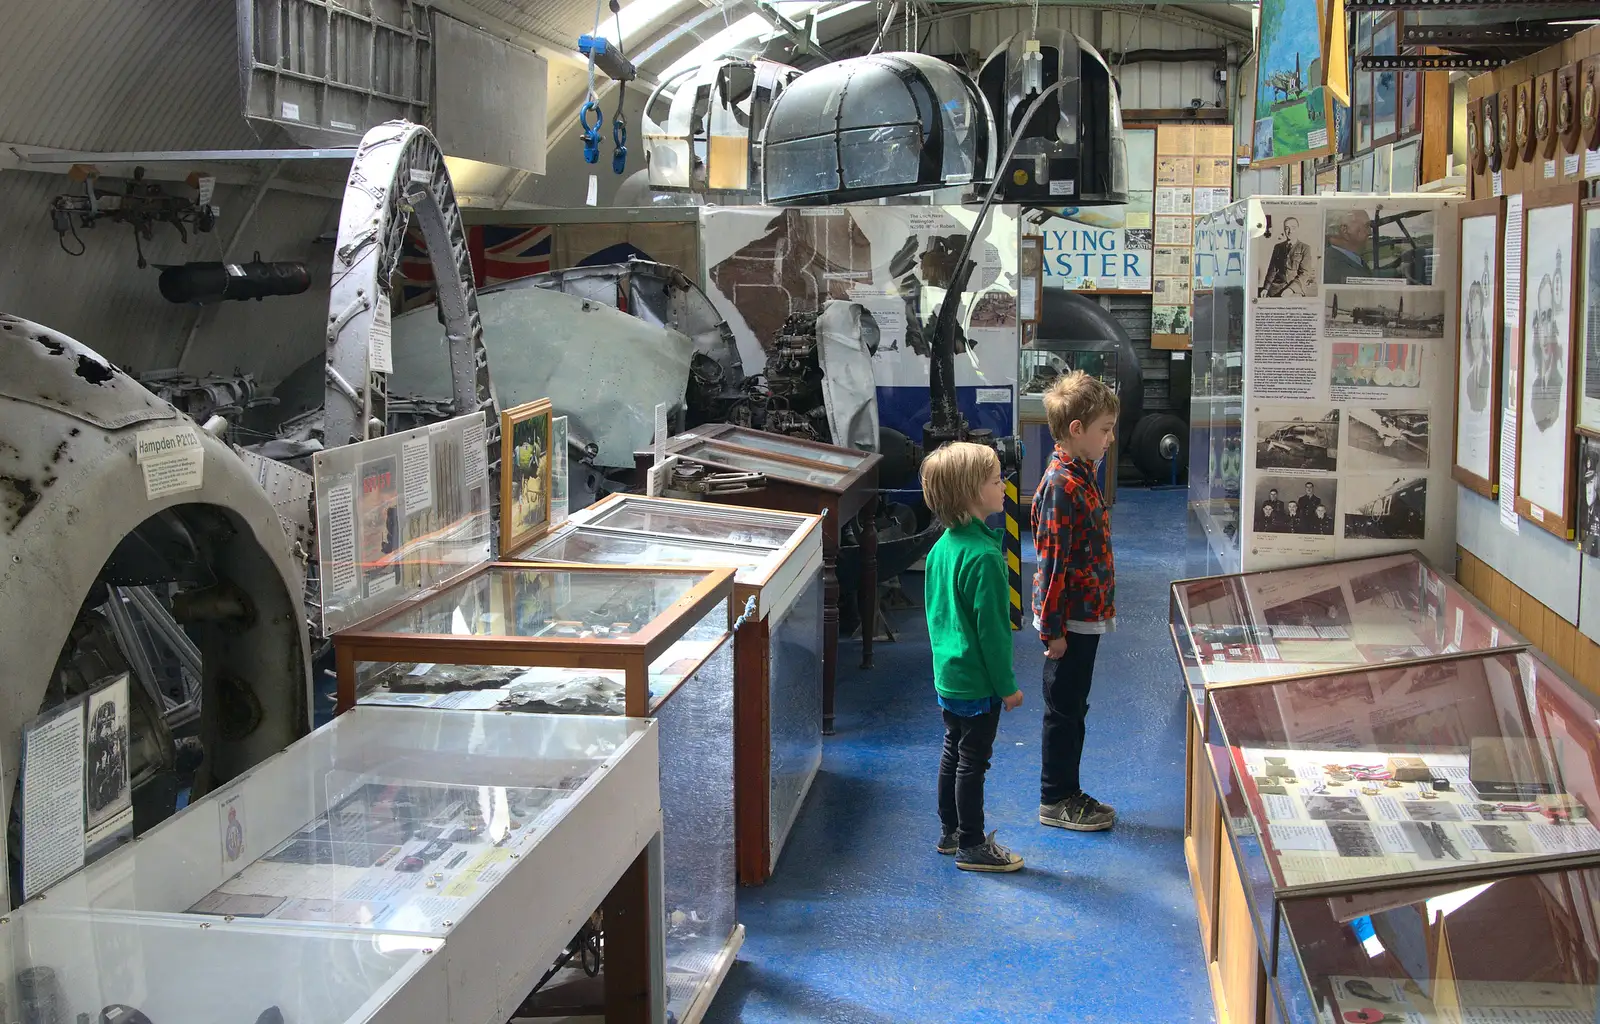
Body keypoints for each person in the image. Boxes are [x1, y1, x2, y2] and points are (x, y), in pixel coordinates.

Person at [922, 441, 1026, 872]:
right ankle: (972, 844)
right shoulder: (984, 556)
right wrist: (1008, 687)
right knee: (973, 763)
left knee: (954, 751)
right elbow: (994, 634)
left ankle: (949, 832)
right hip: (979, 681)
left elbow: (936, 614)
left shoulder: (941, 549)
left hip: (949, 676)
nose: (1004, 486)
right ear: (971, 493)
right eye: (995, 480)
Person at [1032, 370, 1119, 832]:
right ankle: (1055, 797)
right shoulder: (1062, 486)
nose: (1109, 438)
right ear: (1076, 430)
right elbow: (1051, 562)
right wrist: (1053, 630)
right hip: (1070, 623)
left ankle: (1068, 789)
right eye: (1104, 430)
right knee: (1064, 709)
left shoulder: (1082, 474)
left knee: (1074, 706)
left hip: (1086, 617)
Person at [1259, 217, 1315, 297]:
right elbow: (1272, 270)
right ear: (1284, 230)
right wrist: (1266, 288)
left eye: (1293, 228)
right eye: (1287, 228)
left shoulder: (1305, 248)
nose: (1290, 231)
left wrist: (1291, 289)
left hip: (1295, 290)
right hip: (1276, 289)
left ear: (1298, 229)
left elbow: (1305, 273)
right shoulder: (1278, 247)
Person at [1325, 209, 1376, 284]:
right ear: (1345, 230)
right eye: (1366, 226)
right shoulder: (1340, 270)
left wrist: (1396, 270)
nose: (1370, 232)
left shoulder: (1340, 257)